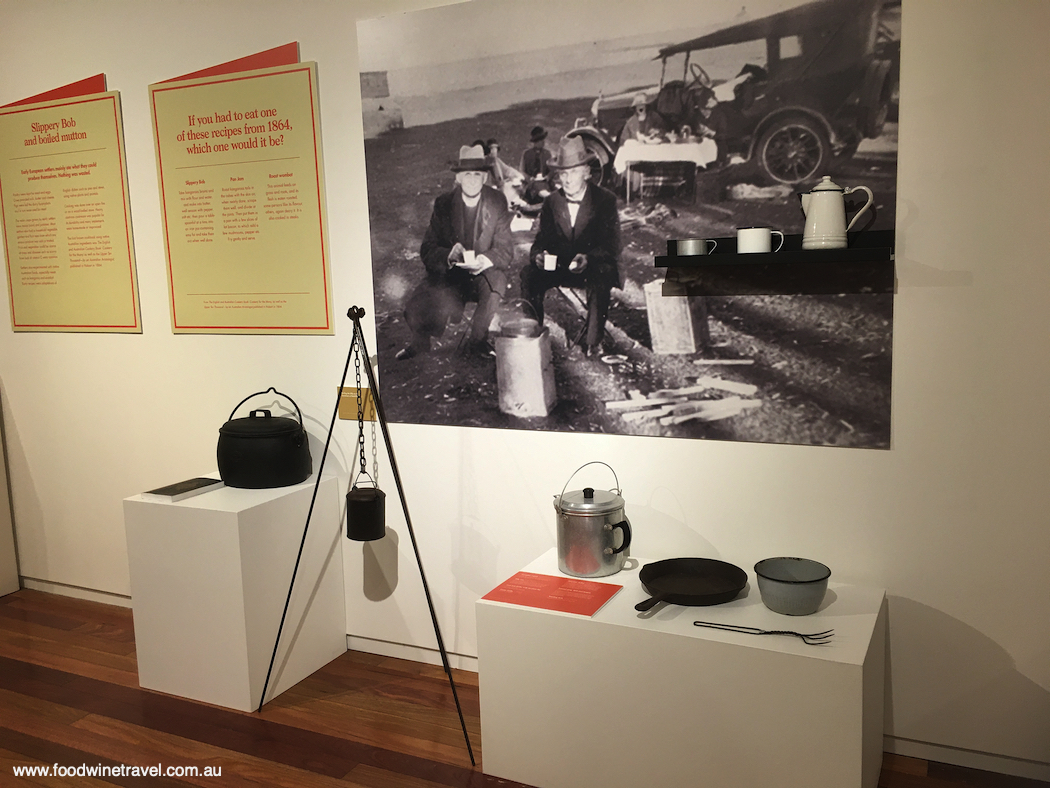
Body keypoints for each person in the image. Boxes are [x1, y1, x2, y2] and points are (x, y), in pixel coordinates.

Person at [396, 144, 512, 360]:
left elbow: (506, 250)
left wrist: (484, 259)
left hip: (482, 276)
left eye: (477, 175)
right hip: (451, 276)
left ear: (485, 178)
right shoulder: (444, 204)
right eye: (466, 174)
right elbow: (427, 250)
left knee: (497, 281)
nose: (471, 180)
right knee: (417, 301)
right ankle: (420, 342)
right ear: (457, 178)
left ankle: (477, 342)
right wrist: (448, 255)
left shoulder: (497, 201)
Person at [520, 136, 622, 357]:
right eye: (563, 173)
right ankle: (532, 333)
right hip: (560, 266)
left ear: (587, 172)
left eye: (573, 172)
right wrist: (538, 254)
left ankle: (593, 341)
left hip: (593, 265)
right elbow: (541, 240)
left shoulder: (605, 200)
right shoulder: (552, 202)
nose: (567, 180)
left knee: (602, 274)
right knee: (528, 274)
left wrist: (588, 257)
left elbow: (612, 246)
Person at [519, 126, 552, 205]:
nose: (543, 142)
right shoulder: (526, 154)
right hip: (531, 185)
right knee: (535, 187)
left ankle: (547, 196)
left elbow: (552, 170)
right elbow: (522, 171)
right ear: (535, 142)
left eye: (543, 139)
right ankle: (545, 196)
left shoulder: (547, 154)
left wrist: (547, 177)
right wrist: (530, 179)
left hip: (545, 183)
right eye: (541, 140)